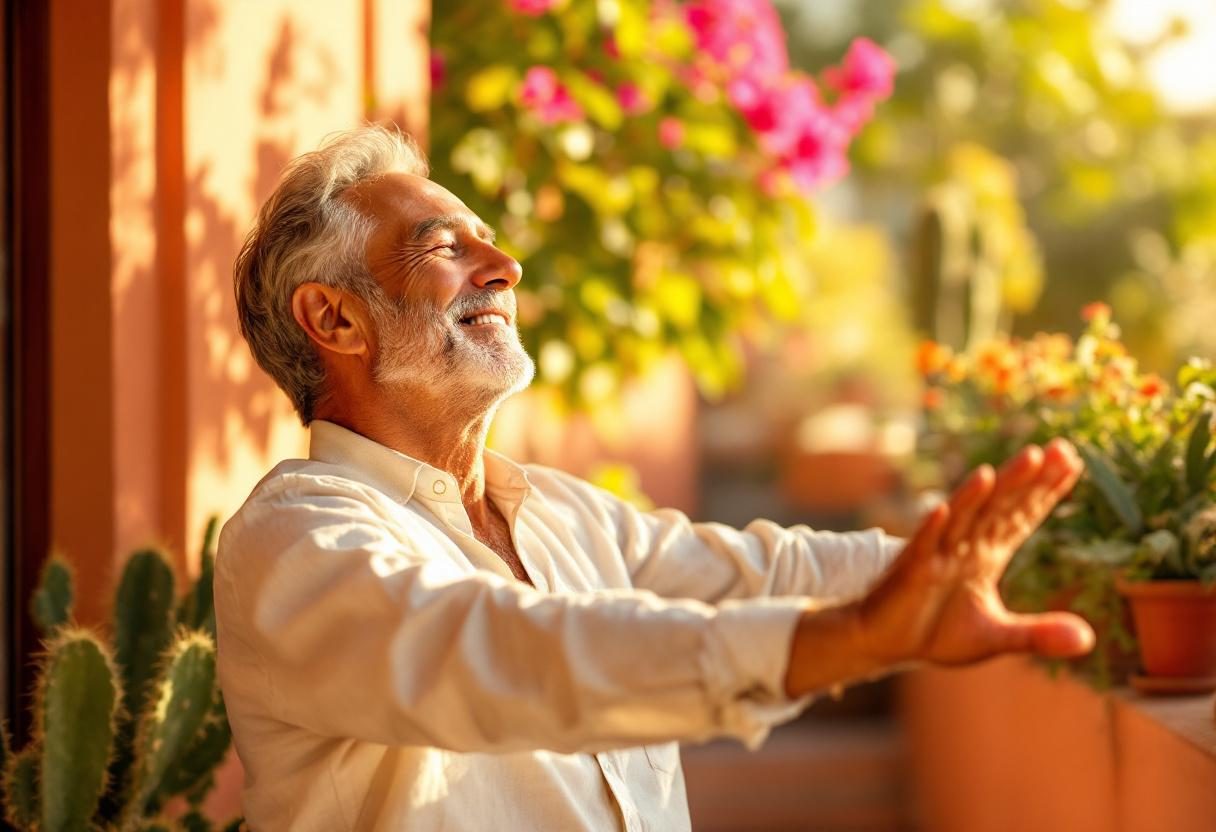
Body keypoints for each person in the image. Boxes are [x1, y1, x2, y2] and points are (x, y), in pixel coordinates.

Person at [216, 125, 1093, 831]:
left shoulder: (555, 512)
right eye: (444, 246)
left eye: (492, 242)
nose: (505, 267)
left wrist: (972, 566)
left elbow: (752, 572)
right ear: (335, 317)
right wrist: (852, 640)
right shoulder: (297, 541)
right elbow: (513, 653)